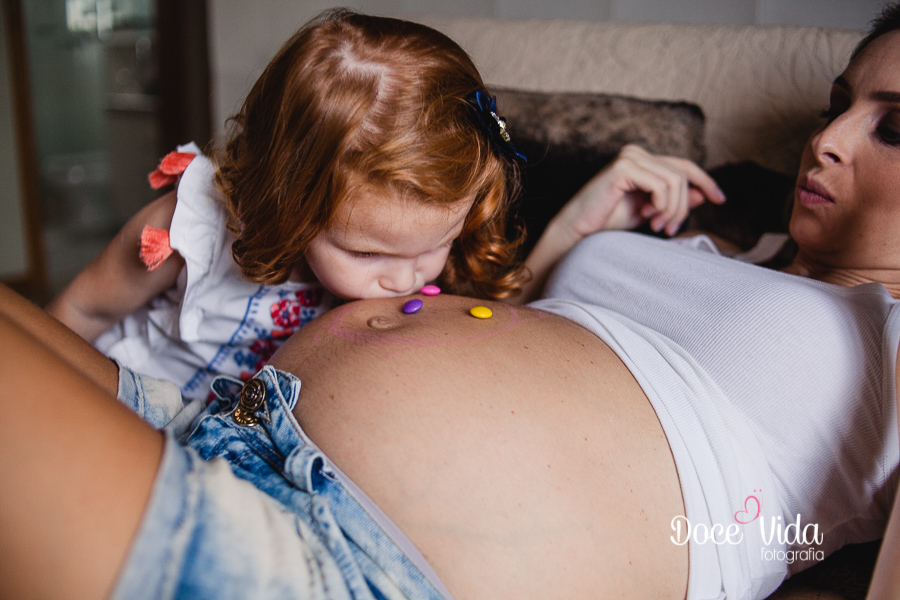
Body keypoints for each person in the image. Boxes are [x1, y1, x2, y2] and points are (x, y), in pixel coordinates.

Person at [5, 5, 900, 600]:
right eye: (839, 103)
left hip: (364, 560)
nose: (824, 140)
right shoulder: (716, 237)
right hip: (227, 414)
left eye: (894, 124)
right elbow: (516, 337)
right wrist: (584, 231)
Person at [45, 9, 725, 400]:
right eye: (367, 251)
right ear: (287, 194)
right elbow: (78, 312)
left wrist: (580, 219)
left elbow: (500, 309)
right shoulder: (189, 228)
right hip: (121, 399)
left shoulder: (408, 257)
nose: (406, 278)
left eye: (437, 242)